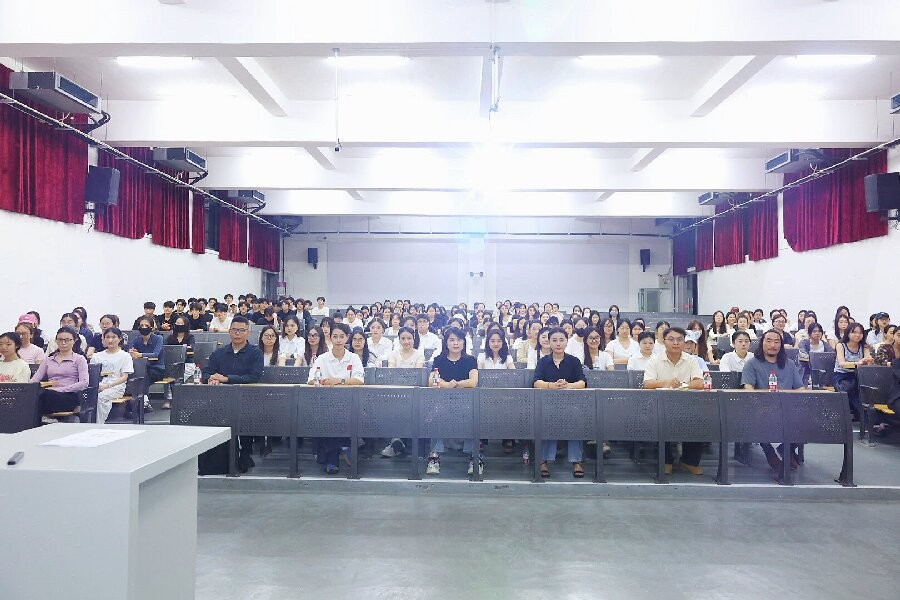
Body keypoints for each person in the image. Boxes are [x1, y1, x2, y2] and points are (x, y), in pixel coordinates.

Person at [203, 316, 264, 472]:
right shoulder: (219, 353)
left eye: (241, 330)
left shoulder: (255, 353)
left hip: (247, 399)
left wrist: (226, 379)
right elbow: (206, 372)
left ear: (248, 333)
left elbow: (254, 377)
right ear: (229, 332)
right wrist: (212, 378)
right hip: (221, 399)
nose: (237, 333)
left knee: (245, 415)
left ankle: (245, 453)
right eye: (235, 330)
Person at [741, 330, 805, 476]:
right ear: (762, 343)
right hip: (762, 408)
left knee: (811, 417)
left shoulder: (789, 364)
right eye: (769, 341)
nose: (773, 345)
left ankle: (786, 449)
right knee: (759, 417)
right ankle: (769, 451)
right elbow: (748, 389)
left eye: (777, 342)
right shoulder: (752, 364)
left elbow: (800, 389)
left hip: (787, 408)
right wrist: (760, 405)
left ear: (781, 345)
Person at [642, 327, 705, 475]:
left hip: (687, 406)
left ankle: (689, 462)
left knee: (702, 418)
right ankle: (666, 461)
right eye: (671, 339)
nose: (675, 343)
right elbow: (647, 383)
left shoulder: (691, 360)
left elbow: (700, 382)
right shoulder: (654, 360)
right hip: (660, 406)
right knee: (658, 419)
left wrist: (683, 385)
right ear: (663, 341)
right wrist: (667, 382)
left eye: (679, 339)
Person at [306, 323, 364, 474]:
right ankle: (343, 447)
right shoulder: (322, 358)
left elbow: (359, 380)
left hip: (350, 403)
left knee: (338, 416)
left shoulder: (353, 358)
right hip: (325, 403)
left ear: (347, 338)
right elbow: (311, 380)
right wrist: (324, 382)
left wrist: (339, 381)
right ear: (330, 338)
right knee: (328, 416)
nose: (338, 340)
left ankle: (333, 458)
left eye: (342, 337)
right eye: (335, 336)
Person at [532, 327, 587, 478]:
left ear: (566, 341)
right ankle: (544, 460)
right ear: (549, 342)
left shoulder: (574, 361)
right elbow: (536, 382)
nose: (558, 343)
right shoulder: (543, 362)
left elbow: (582, 382)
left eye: (561, 340)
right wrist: (552, 385)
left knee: (577, 417)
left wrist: (569, 385)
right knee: (547, 416)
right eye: (554, 340)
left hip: (571, 404)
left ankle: (577, 460)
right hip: (548, 404)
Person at [425, 327, 479, 477]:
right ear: (446, 342)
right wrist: (446, 385)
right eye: (452, 340)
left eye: (459, 340)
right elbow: (432, 381)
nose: (456, 343)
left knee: (473, 415)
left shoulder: (470, 360)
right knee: (436, 413)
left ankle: (473, 457)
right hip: (443, 402)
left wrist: (455, 384)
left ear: (464, 342)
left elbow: (473, 382)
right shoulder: (439, 360)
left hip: (466, 403)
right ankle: (434, 456)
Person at [30, 327, 89, 422]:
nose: (63, 343)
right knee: (35, 395)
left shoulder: (79, 359)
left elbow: (84, 383)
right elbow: (34, 380)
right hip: (48, 395)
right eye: (60, 340)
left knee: (43, 395)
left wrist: (60, 390)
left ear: (74, 341)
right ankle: (40, 421)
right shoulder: (49, 360)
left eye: (67, 340)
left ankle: (41, 421)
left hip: (69, 395)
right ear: (56, 341)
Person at [89, 327, 134, 423]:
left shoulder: (125, 356)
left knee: (100, 397)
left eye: (113, 337)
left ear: (120, 339)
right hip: (98, 385)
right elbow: (92, 375)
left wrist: (107, 385)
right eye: (107, 337)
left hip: (116, 386)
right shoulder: (97, 356)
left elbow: (124, 377)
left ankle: (98, 423)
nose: (110, 340)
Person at [833, 322, 874, 421]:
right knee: (851, 387)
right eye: (854, 332)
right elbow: (842, 363)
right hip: (842, 376)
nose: (857, 335)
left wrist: (869, 361)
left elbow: (868, 361)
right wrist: (858, 363)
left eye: (860, 333)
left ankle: (863, 416)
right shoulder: (841, 345)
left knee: (866, 388)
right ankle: (862, 416)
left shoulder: (864, 346)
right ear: (848, 333)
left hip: (858, 376)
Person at [128, 316, 164, 387]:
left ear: (152, 328)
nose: (144, 327)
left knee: (145, 374)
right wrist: (132, 352)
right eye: (141, 325)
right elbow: (129, 351)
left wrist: (140, 355)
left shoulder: (159, 338)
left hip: (156, 368)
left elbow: (155, 354)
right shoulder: (137, 339)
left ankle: (143, 393)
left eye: (147, 325)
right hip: (141, 367)